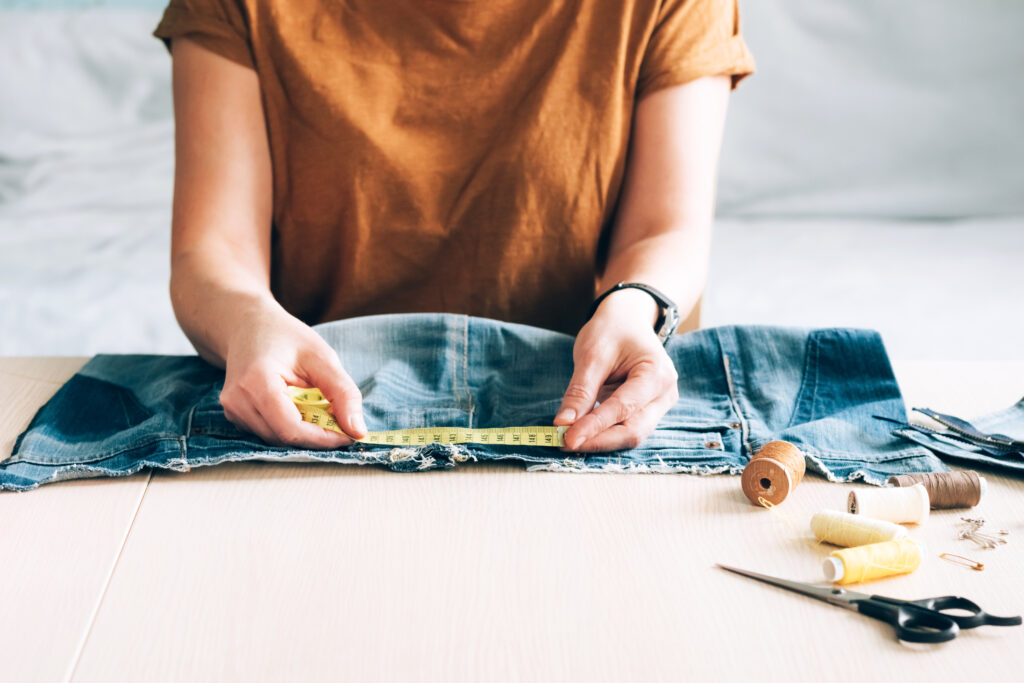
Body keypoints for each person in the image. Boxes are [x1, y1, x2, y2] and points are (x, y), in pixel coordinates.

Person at [153, 0, 754, 454]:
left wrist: (635, 307)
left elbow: (664, 230)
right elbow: (214, 249)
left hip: (575, 413)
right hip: (306, 427)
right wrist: (243, 323)